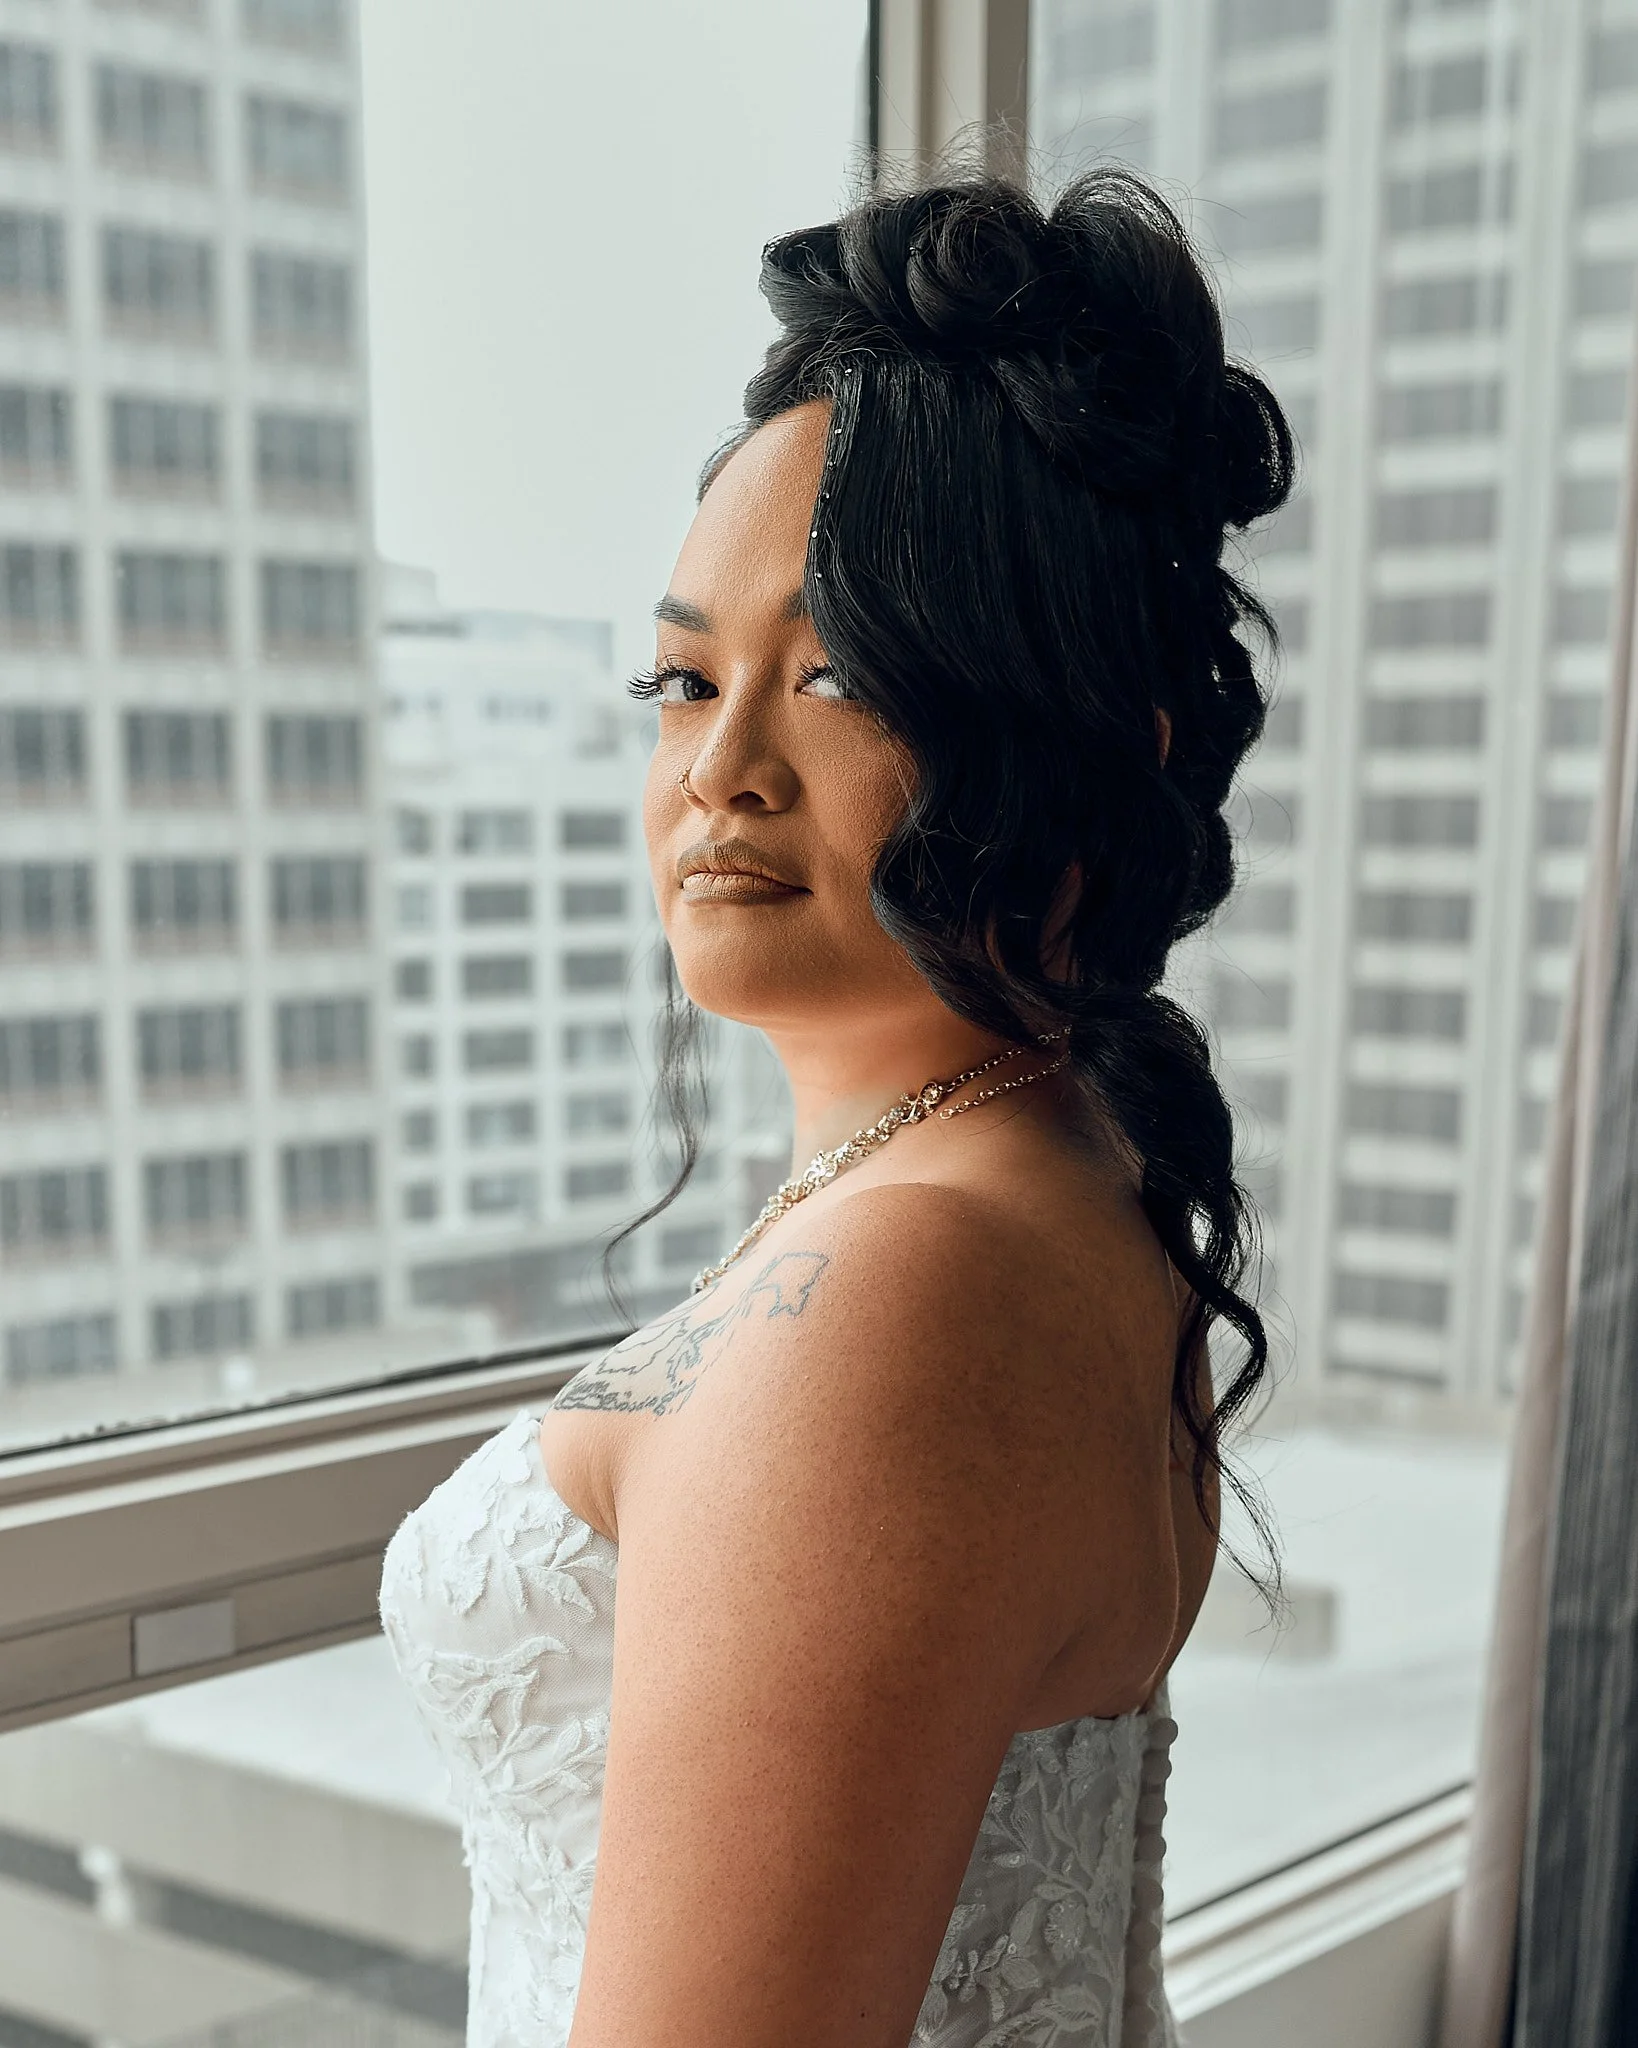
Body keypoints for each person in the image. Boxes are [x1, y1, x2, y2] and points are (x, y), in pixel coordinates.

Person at [380, 166, 1292, 2048]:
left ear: (1081, 740)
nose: (719, 767)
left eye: (837, 674)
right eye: (681, 677)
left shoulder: (895, 1302)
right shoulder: (1058, 1181)